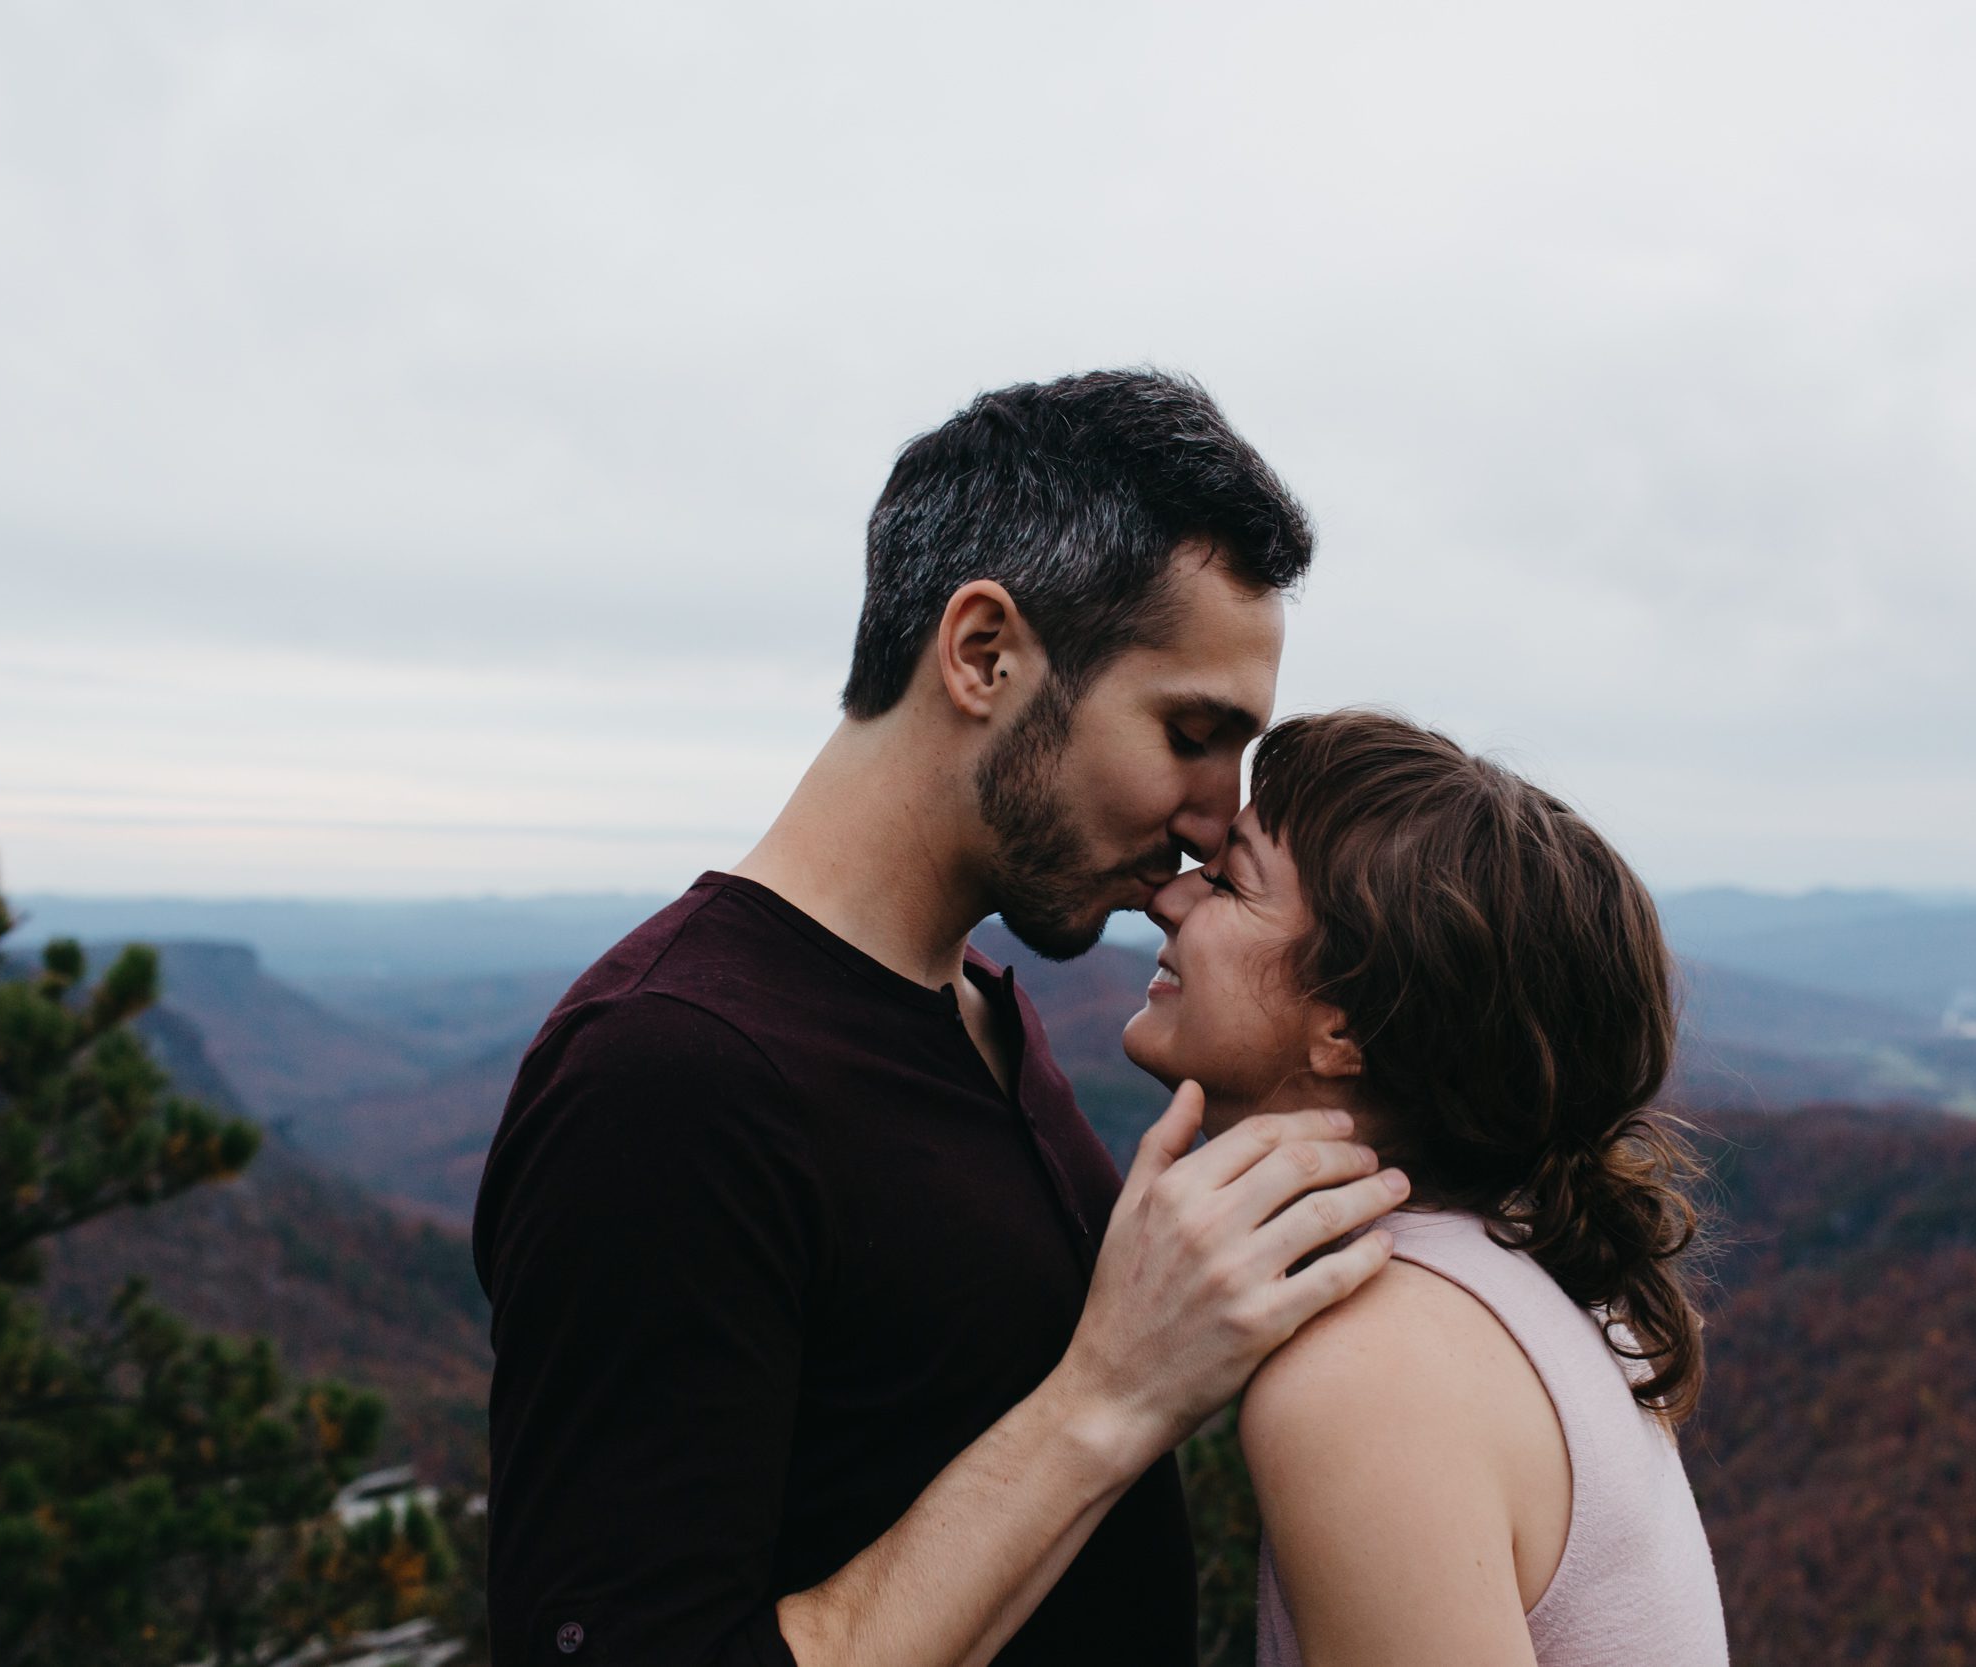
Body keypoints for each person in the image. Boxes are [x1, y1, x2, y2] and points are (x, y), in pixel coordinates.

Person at [471, 371, 1410, 1667]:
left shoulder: (975, 1007)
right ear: (983, 653)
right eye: (1192, 731)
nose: (1215, 814)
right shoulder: (669, 1075)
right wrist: (1113, 1394)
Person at [1122, 708, 1730, 1666]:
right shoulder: (1518, 1279)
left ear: (1346, 1030)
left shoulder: (1373, 1371)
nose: (1170, 899)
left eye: (1232, 883)